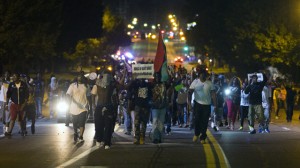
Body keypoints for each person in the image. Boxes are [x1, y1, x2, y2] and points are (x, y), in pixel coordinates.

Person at [91, 69, 124, 149]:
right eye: (105, 74)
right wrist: (93, 105)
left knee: (108, 125)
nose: (106, 77)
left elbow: (120, 87)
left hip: (108, 106)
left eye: (107, 75)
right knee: (99, 124)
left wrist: (124, 75)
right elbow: (93, 95)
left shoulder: (112, 85)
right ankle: (100, 140)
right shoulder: (97, 83)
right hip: (100, 106)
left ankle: (106, 142)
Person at [188, 67, 217, 144]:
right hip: (197, 104)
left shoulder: (209, 83)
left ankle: (203, 137)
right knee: (197, 120)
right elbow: (189, 93)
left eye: (204, 74)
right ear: (199, 75)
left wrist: (215, 105)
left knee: (205, 121)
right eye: (201, 74)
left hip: (207, 105)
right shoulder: (195, 82)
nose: (203, 76)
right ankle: (196, 133)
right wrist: (189, 104)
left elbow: (213, 94)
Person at [127, 77, 152, 145]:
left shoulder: (148, 85)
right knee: (137, 123)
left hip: (145, 107)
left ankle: (141, 138)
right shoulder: (136, 84)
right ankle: (138, 138)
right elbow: (129, 87)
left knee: (143, 123)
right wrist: (134, 79)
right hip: (138, 106)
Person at [66, 73, 89, 143]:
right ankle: (76, 133)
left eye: (81, 76)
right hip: (74, 107)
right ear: (77, 77)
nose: (80, 78)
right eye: (78, 76)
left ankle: (81, 136)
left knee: (82, 123)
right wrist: (69, 101)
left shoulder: (86, 86)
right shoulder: (72, 85)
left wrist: (89, 105)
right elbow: (68, 94)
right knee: (75, 123)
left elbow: (89, 96)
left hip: (83, 107)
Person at [151, 73, 167, 144]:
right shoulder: (152, 85)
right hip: (155, 106)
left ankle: (159, 137)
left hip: (162, 106)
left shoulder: (164, 84)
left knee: (161, 122)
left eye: (159, 76)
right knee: (155, 122)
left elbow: (174, 87)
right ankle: (155, 138)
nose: (157, 78)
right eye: (156, 77)